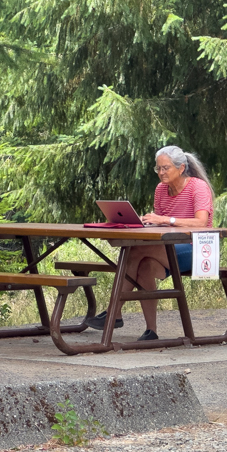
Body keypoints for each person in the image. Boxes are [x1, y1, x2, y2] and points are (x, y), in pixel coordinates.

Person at [85, 145, 215, 341]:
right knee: (144, 266)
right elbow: (159, 224)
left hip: (199, 249)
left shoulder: (197, 187)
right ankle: (151, 331)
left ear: (180, 168)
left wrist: (166, 220)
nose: (161, 173)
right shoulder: (161, 190)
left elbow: (202, 222)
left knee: (135, 250)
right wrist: (143, 224)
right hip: (169, 247)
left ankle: (114, 313)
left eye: (166, 168)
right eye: (158, 169)